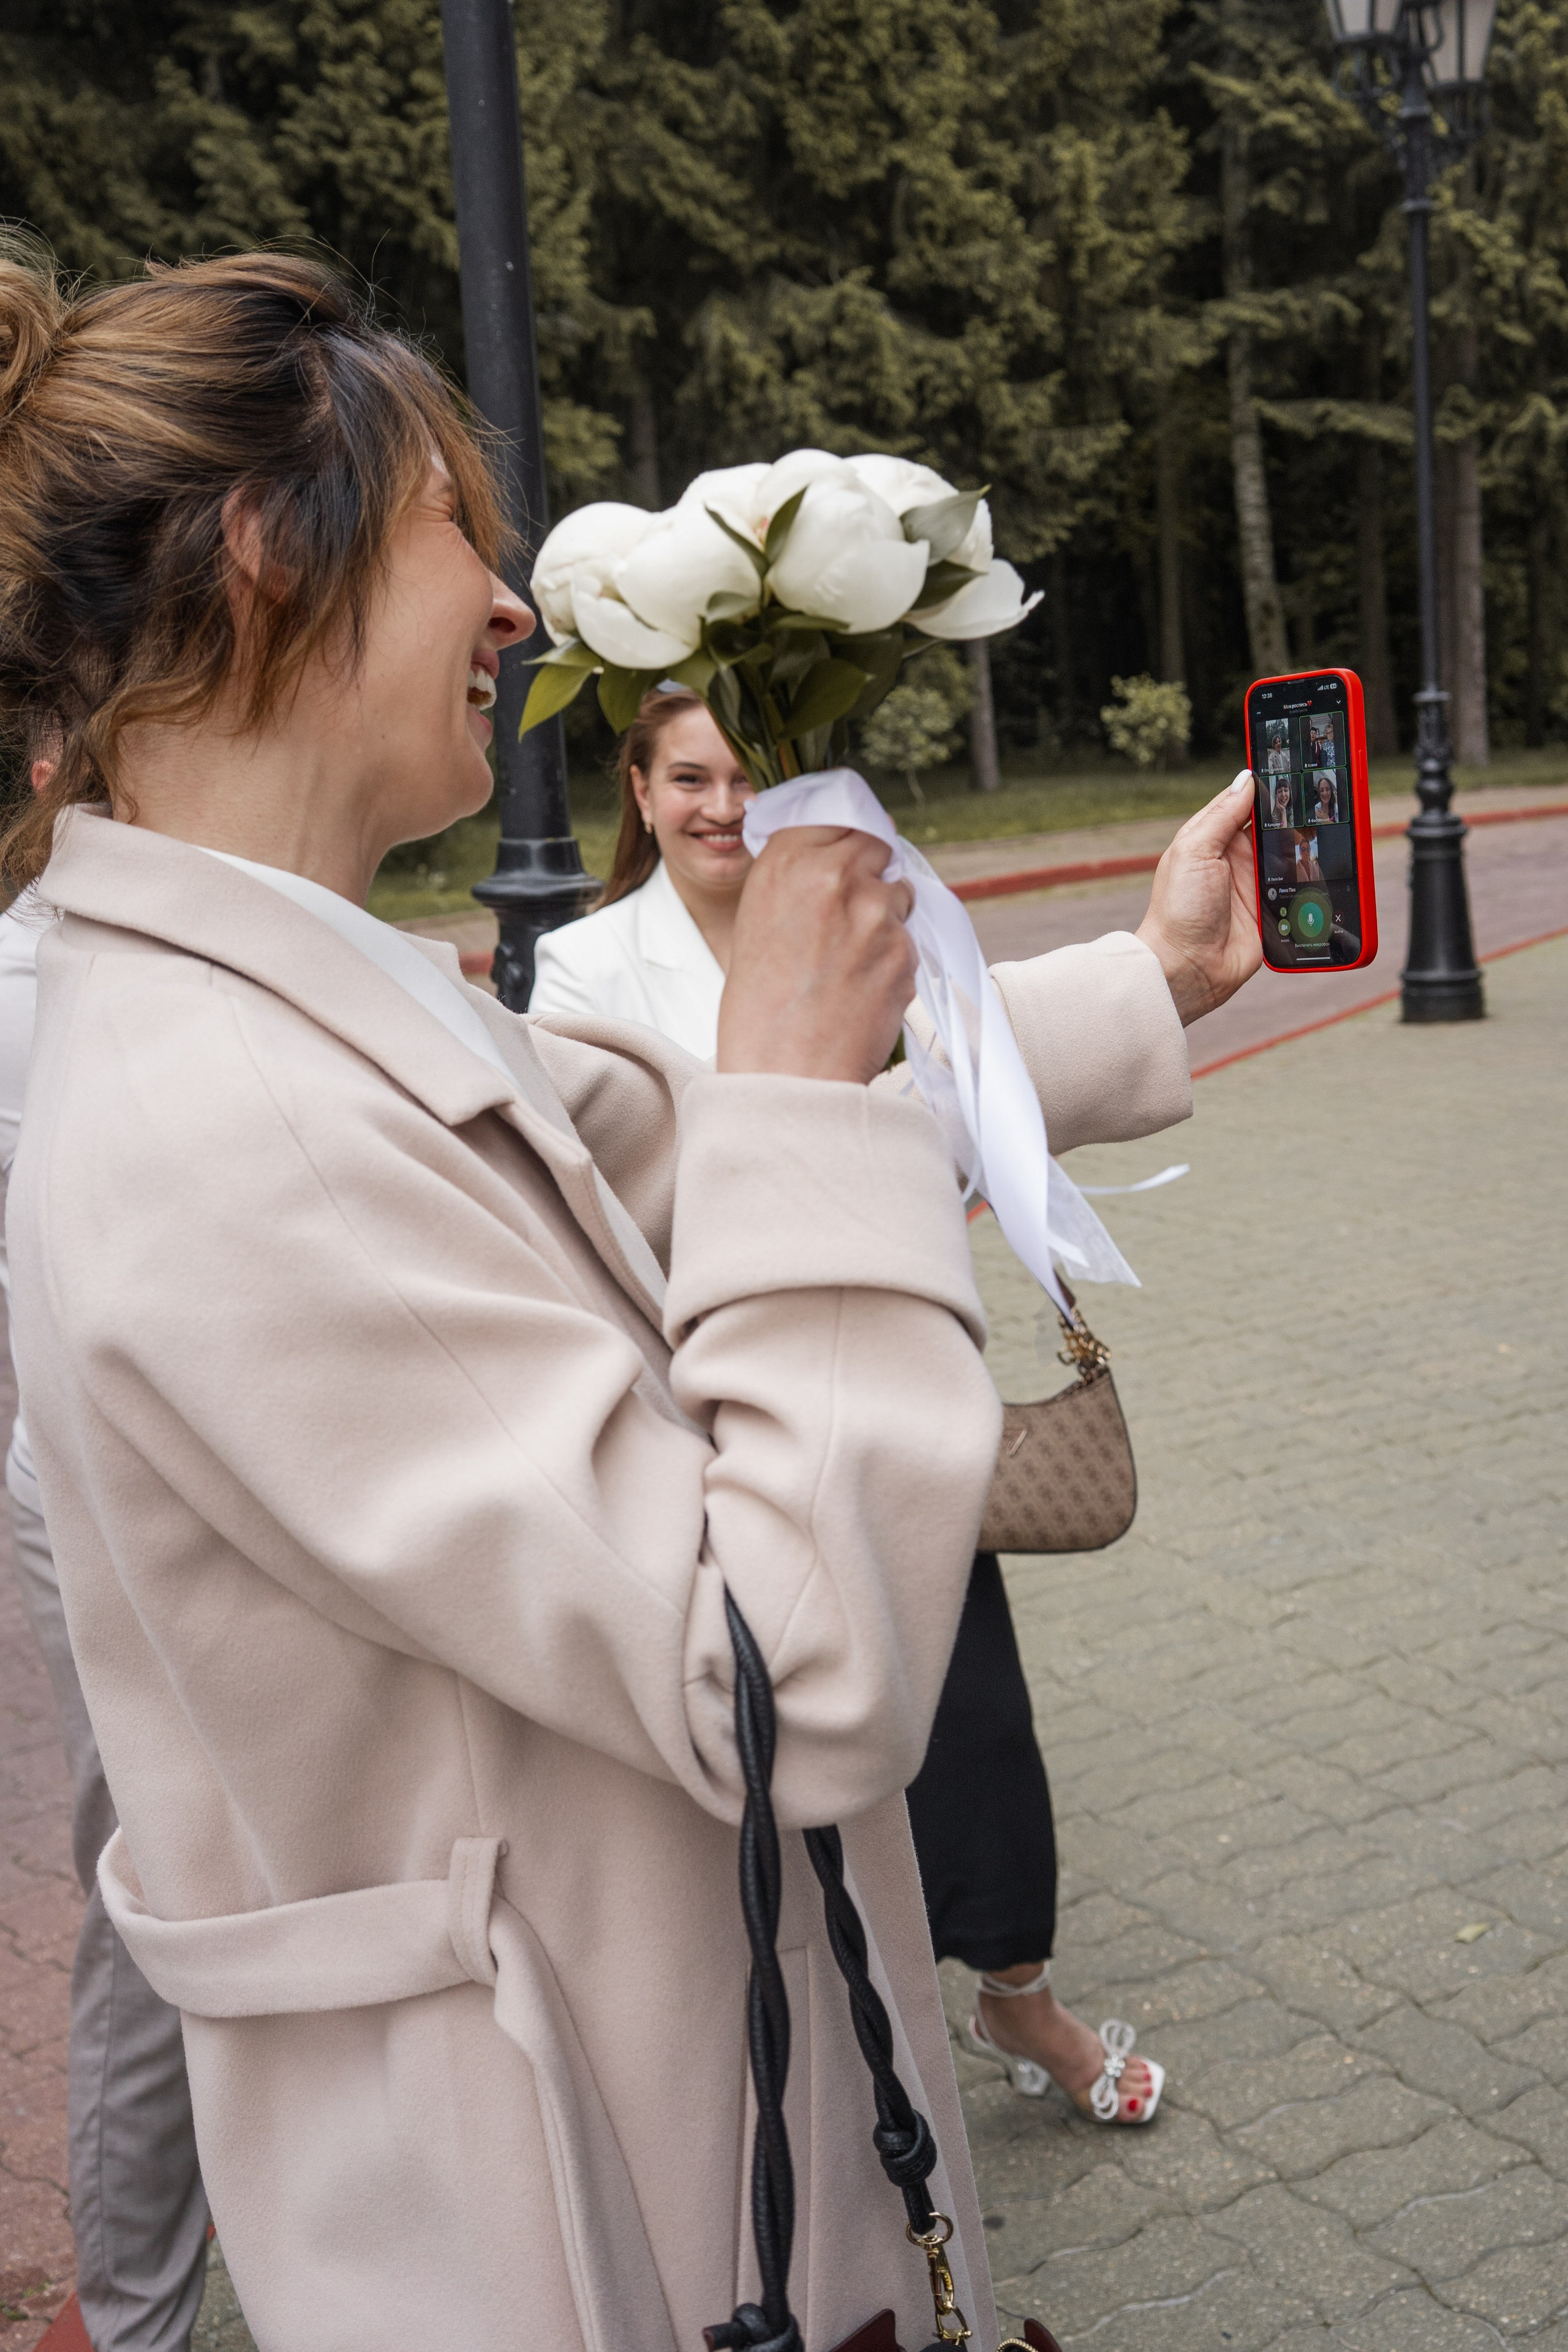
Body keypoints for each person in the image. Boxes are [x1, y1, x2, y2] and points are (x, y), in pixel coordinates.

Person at [0, 241, 1256, 2352]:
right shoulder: (226, 1123)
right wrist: (785, 1078)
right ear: (260, 554)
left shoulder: (302, 990)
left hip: (647, 2121)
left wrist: (1157, 980)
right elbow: (789, 1672)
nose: (511, 608)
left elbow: (674, 1146)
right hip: (595, 2225)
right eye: (452, 538)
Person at [535, 691, 1255, 2124]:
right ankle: (833, 2056)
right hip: (704, 1405)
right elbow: (614, 1204)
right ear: (634, 788)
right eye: (687, 777)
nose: (721, 806)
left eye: (749, 773)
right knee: (776, 1759)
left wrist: (1153, 976)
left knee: (971, 1725)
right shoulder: (575, 964)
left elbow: (951, 1093)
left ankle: (1015, 2000)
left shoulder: (863, 900)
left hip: (884, 1370)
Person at [0, 823, 209, 2352]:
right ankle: (132, 2316)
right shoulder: (37, 971)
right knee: (155, 1898)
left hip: (251, 1496)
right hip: (103, 1497)